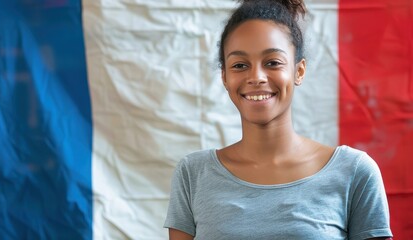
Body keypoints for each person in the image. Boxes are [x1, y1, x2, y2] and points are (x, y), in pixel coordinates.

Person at [164, 0, 393, 239]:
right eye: (240, 65)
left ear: (299, 71)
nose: (256, 77)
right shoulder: (193, 174)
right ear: (224, 77)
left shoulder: (354, 171)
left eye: (272, 62)